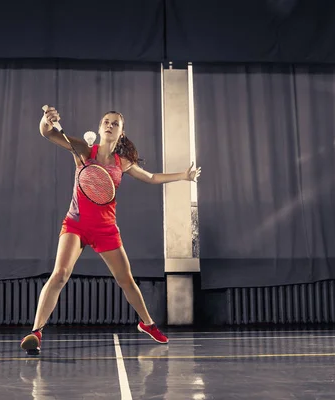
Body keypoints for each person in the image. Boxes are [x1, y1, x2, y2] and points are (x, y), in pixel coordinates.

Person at [20, 106, 201, 355]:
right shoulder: (83, 150)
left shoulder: (122, 162)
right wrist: (46, 120)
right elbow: (48, 134)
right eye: (106, 121)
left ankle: (147, 324)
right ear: (99, 127)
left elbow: (150, 177)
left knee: (126, 280)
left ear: (121, 132)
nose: (109, 125)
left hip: (106, 229)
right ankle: (36, 332)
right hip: (75, 223)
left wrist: (183, 175)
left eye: (115, 123)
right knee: (60, 273)